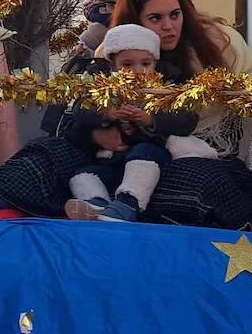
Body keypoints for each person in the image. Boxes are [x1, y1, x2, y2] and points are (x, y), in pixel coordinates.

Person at [0, 0, 252, 228]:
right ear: (134, 22)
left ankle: (119, 208)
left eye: (175, 15)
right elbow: (75, 111)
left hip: (185, 152)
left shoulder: (217, 41)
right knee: (48, 154)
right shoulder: (113, 51)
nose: (169, 27)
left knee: (203, 183)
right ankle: (80, 204)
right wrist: (98, 129)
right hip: (107, 154)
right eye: (156, 19)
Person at [54, 24, 199, 223]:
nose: (137, 71)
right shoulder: (105, 87)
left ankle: (127, 206)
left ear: (155, 63)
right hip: (113, 161)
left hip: (151, 159)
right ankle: (96, 204)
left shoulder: (165, 88)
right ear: (113, 66)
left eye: (145, 63)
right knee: (83, 174)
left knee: (143, 152)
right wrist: (107, 113)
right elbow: (81, 109)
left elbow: (187, 119)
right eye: (127, 65)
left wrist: (151, 119)